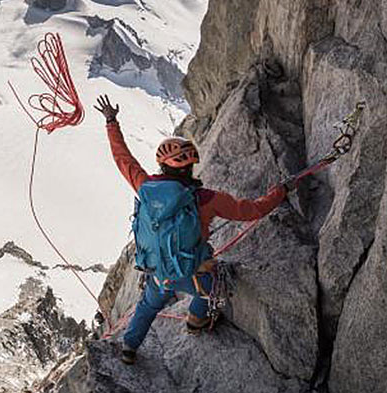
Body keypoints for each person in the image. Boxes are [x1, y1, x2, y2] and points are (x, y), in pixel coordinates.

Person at [94, 95, 290, 365]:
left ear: (162, 165)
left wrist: (111, 122)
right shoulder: (205, 198)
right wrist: (280, 192)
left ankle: (129, 346)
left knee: (148, 305)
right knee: (214, 287)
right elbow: (251, 211)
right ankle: (196, 322)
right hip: (193, 273)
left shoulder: (145, 187)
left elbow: (123, 159)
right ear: (190, 166)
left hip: (157, 272)